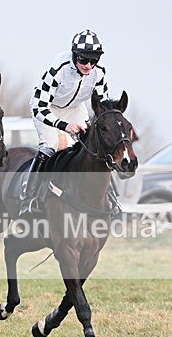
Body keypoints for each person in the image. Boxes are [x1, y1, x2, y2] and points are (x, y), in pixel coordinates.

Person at [20, 29, 110, 216]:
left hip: (75, 108)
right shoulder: (58, 69)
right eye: (84, 60)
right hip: (47, 107)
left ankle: (111, 198)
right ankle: (28, 199)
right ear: (75, 55)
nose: (88, 66)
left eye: (93, 61)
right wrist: (64, 126)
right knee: (51, 145)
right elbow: (39, 107)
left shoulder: (99, 72)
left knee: (94, 147)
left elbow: (102, 108)